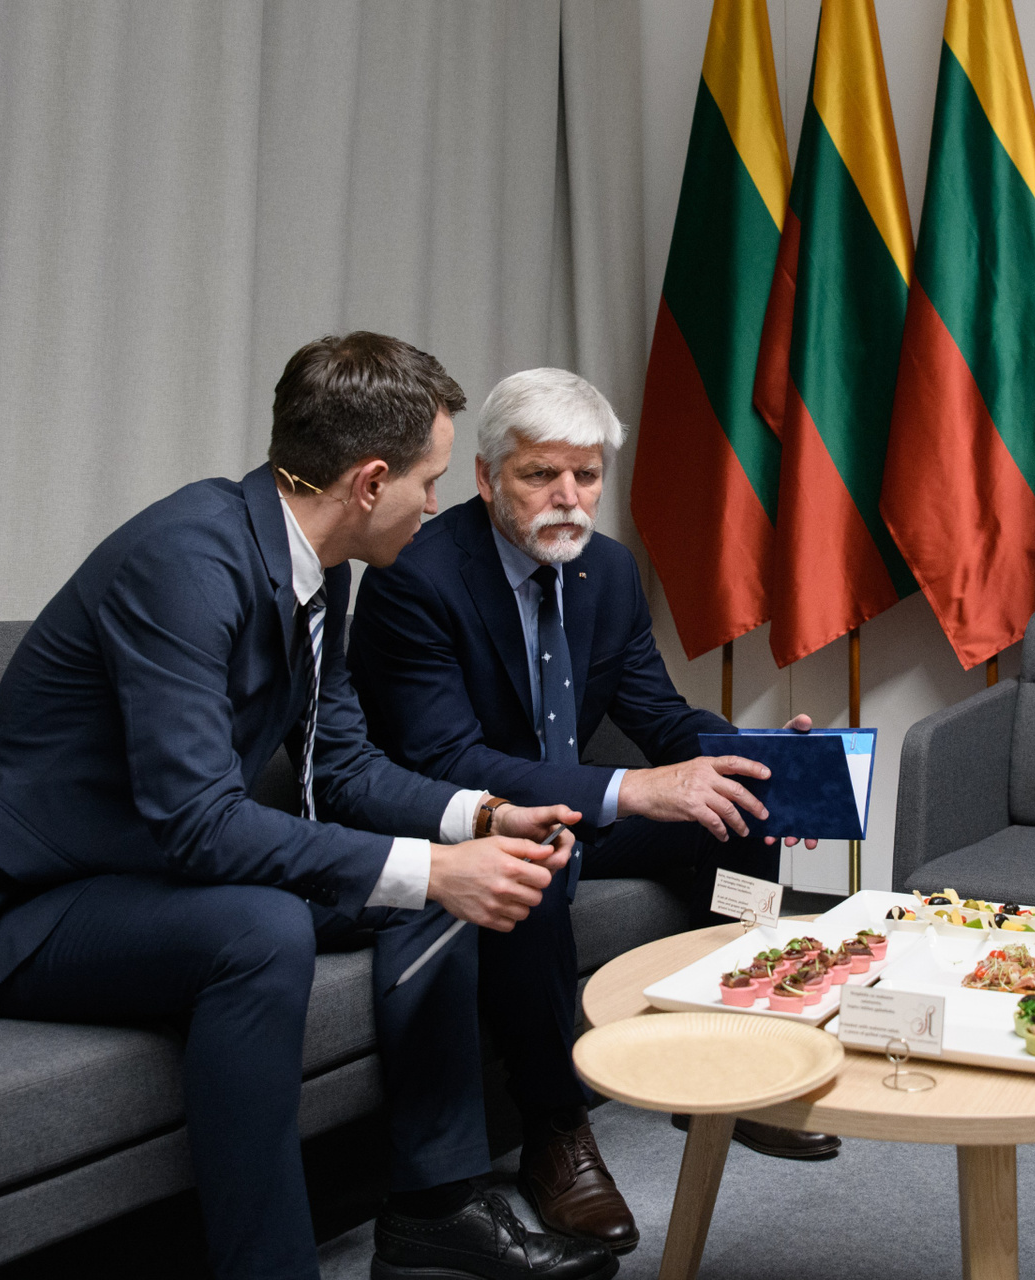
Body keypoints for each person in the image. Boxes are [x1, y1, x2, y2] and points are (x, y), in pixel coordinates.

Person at [0, 335, 618, 1280]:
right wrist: (434, 867)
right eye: (430, 481)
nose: (436, 505)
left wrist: (481, 820)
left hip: (148, 871)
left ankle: (433, 1207)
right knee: (264, 929)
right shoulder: (187, 563)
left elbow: (343, 767)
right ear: (370, 483)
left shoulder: (321, 565)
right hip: (21, 909)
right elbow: (198, 820)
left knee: (428, 896)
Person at [346, 368, 843, 1256]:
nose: (568, 497)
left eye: (586, 475)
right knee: (534, 857)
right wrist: (629, 791)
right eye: (541, 475)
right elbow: (446, 760)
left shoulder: (606, 570)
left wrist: (751, 751)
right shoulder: (414, 578)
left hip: (575, 812)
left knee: (744, 805)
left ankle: (732, 1065)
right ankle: (555, 1131)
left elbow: (657, 714)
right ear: (487, 477)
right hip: (464, 825)